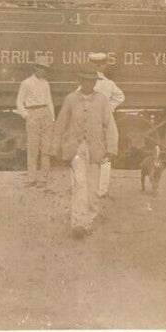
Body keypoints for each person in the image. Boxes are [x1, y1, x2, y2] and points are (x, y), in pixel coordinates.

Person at [50, 66, 118, 238]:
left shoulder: (102, 100)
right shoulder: (70, 100)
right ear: (79, 81)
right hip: (77, 148)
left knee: (93, 188)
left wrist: (111, 148)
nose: (88, 84)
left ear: (95, 82)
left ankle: (88, 220)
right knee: (80, 184)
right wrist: (55, 147)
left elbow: (110, 125)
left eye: (92, 81)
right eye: (85, 80)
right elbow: (60, 124)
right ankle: (79, 223)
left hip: (95, 149)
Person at [88, 51, 124, 199]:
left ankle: (91, 187)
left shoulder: (87, 83)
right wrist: (110, 108)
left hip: (90, 120)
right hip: (106, 121)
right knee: (106, 154)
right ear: (102, 66)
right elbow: (121, 96)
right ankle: (102, 189)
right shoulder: (109, 84)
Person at [16, 57, 55, 188]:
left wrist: (52, 118)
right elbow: (19, 102)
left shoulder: (46, 83)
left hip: (46, 114)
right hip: (33, 114)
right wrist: (27, 116)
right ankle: (32, 178)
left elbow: (49, 101)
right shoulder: (26, 83)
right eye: (41, 68)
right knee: (33, 149)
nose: (43, 71)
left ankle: (43, 178)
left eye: (45, 69)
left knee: (46, 149)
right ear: (35, 68)